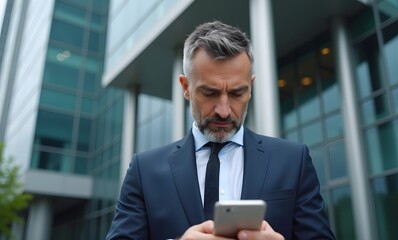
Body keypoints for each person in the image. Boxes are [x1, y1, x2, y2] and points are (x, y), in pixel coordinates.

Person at [105, 20, 335, 240]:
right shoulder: (144, 171)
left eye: (236, 93)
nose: (224, 111)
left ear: (251, 87)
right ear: (186, 88)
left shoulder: (293, 161)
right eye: (210, 93)